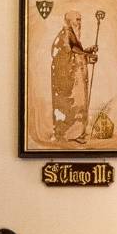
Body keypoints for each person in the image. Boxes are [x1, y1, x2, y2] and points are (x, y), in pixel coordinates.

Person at [50, 10, 98, 143]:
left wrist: (87, 51)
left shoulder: (71, 34)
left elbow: (76, 51)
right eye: (77, 19)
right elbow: (65, 57)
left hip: (75, 79)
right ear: (69, 21)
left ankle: (76, 133)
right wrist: (87, 57)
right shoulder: (65, 34)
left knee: (78, 103)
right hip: (68, 82)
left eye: (80, 19)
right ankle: (69, 135)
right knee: (72, 105)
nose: (80, 22)